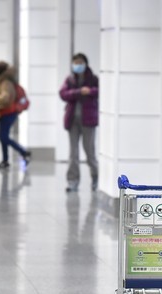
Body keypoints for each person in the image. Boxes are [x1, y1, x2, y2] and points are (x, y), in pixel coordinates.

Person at [59, 53, 99, 192]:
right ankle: (72, 181)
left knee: (89, 152)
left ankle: (96, 177)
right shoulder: (70, 79)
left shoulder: (93, 79)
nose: (77, 65)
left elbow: (100, 91)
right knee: (73, 154)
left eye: (80, 62)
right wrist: (78, 92)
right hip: (72, 121)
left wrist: (89, 91)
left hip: (88, 120)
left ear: (86, 63)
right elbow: (63, 94)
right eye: (75, 63)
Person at [0, 61, 31, 169]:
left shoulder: (5, 82)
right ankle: (5, 160)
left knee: (3, 137)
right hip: (5, 112)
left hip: (9, 112)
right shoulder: (5, 80)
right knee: (3, 137)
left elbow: (5, 98)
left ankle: (23, 152)